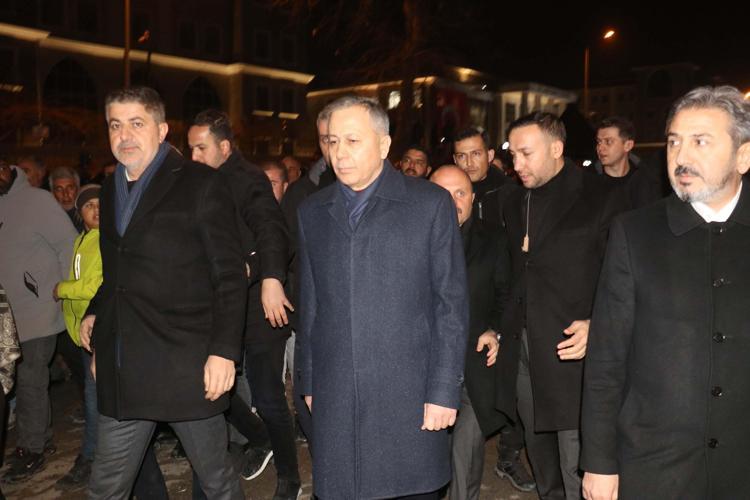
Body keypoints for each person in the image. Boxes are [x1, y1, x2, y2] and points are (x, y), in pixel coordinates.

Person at [581, 85, 750, 500]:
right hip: (657, 467)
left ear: (743, 156)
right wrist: (599, 462)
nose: (681, 157)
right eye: (674, 142)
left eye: (700, 142)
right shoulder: (635, 233)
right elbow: (606, 359)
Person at [297, 95, 469, 499]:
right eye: (332, 141)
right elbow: (310, 307)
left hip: (409, 396)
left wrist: (444, 388)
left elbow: (450, 305)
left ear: (384, 144)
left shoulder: (428, 204)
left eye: (352, 141)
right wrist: (308, 380)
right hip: (337, 393)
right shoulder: (312, 211)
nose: (339, 153)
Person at [81, 86, 247, 499]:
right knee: (106, 487)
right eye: (115, 125)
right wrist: (97, 316)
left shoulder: (201, 183)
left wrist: (224, 351)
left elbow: (229, 276)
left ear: (161, 129)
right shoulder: (110, 188)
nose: (124, 135)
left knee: (216, 482)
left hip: (187, 366)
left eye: (136, 123)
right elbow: (116, 271)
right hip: (127, 369)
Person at [498, 112, 626, 499]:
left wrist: (597, 322)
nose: (516, 164)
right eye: (512, 154)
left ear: (556, 149)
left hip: (574, 352)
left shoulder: (600, 195)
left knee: (578, 464)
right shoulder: (511, 199)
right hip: (524, 349)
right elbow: (512, 270)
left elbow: (622, 274)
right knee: (542, 459)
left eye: (526, 153)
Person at [188, 109, 300, 499]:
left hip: (259, 305)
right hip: (220, 304)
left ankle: (290, 477)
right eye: (190, 149)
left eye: (201, 148)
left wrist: (270, 277)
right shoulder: (196, 182)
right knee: (211, 386)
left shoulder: (247, 179)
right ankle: (260, 437)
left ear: (224, 147)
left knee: (268, 396)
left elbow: (272, 228)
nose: (194, 156)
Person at [430, 165, 510, 500]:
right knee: (429, 464)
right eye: (442, 193)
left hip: (474, 369)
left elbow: (507, 295)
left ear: (473, 198)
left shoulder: (494, 239)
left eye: (460, 193)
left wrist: (495, 330)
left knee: (463, 461)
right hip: (425, 370)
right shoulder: (409, 240)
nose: (452, 201)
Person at [0, 159, 77, 482]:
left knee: (30, 377)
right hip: (6, 314)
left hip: (38, 308)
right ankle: (38, 438)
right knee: (19, 379)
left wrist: (62, 291)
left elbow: (69, 244)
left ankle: (32, 448)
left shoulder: (37, 200)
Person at [54, 184, 102, 489]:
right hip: (84, 333)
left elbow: (95, 285)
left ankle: (90, 457)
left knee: (94, 398)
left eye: (101, 204)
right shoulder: (81, 240)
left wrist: (62, 289)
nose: (96, 210)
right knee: (94, 396)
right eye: (88, 206)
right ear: (79, 212)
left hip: (99, 331)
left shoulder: (105, 239)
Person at [593, 116, 664, 209]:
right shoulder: (588, 183)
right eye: (599, 142)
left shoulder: (647, 181)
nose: (600, 148)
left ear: (628, 145)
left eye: (608, 142)